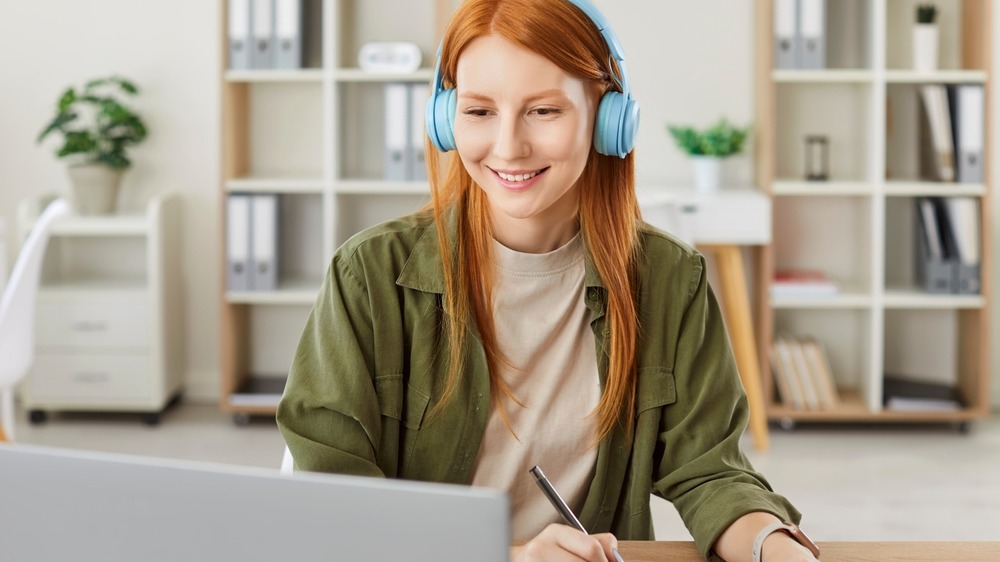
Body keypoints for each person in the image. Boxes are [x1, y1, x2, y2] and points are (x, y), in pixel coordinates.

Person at [277, 1, 820, 561]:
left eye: (543, 111)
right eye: (479, 111)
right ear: (446, 119)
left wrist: (776, 547)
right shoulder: (368, 276)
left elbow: (712, 473)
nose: (509, 147)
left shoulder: (670, 279)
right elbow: (334, 501)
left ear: (608, 119)